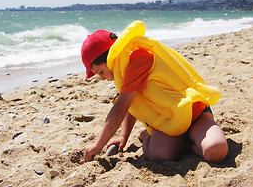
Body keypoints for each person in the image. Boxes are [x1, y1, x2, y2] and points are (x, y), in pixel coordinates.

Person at [81, 21, 228, 163]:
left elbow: (121, 107)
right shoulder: (121, 69)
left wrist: (97, 146)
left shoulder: (138, 57)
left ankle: (187, 140)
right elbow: (133, 104)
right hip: (168, 123)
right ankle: (185, 142)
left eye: (100, 72)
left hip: (194, 115)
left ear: (109, 57)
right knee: (158, 155)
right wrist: (123, 137)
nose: (102, 78)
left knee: (215, 151)